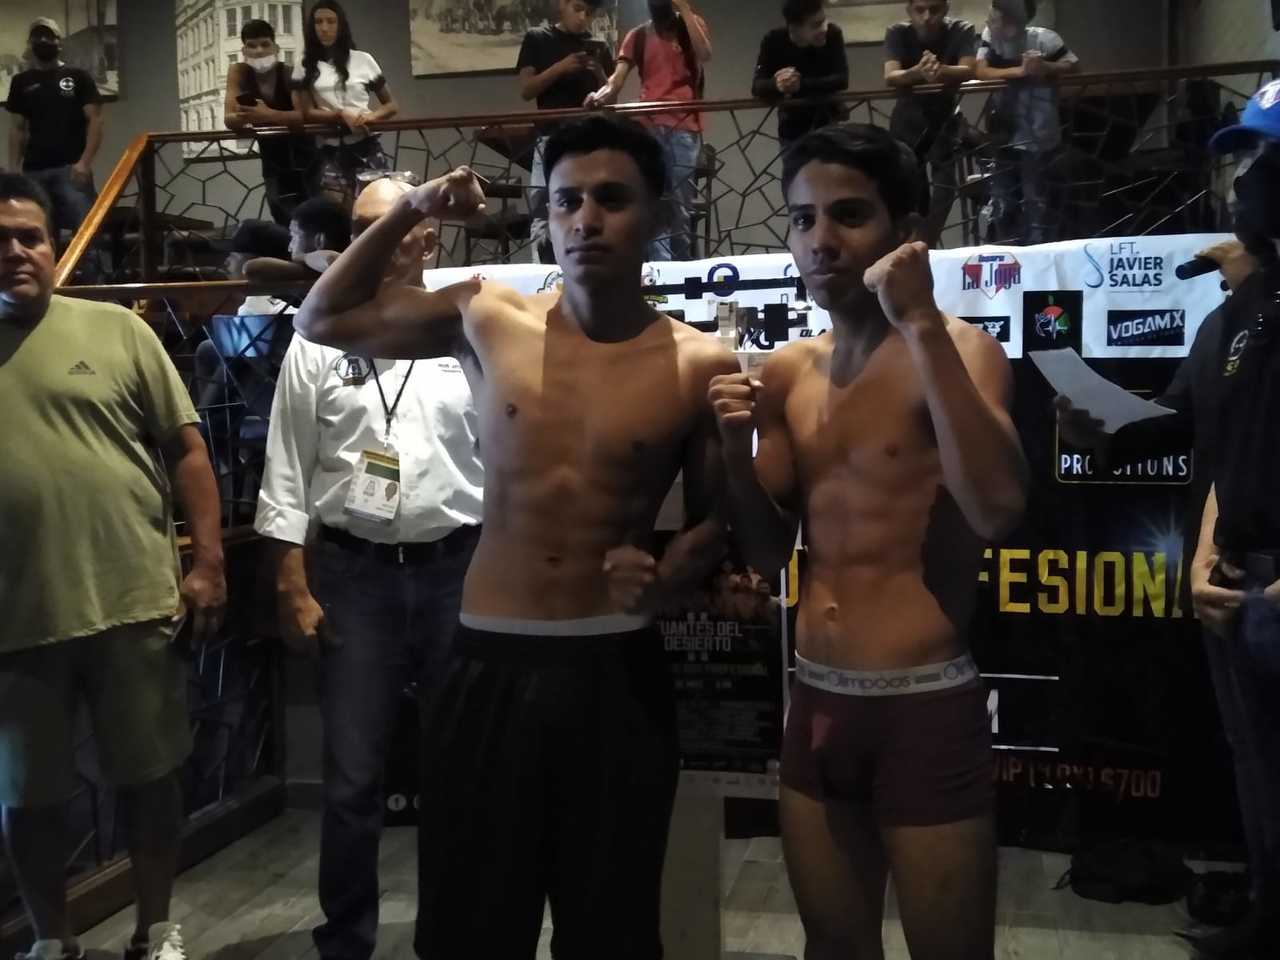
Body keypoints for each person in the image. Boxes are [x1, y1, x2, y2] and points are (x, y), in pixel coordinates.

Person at [292, 113, 738, 959]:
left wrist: (674, 574)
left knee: (609, 933)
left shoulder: (698, 362)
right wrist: (411, 206)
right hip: (487, 659)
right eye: (567, 201)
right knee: (470, 929)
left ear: (656, 213)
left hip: (614, 666)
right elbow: (320, 317)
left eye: (611, 199)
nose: (585, 220)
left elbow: (717, 524)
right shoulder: (487, 315)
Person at [709, 124, 1028, 959]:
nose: (820, 239)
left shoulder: (962, 350)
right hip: (815, 699)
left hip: (923, 702)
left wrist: (919, 321)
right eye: (803, 218)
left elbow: (997, 509)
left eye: (848, 215)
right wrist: (733, 454)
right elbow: (770, 555)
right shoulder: (788, 371)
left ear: (906, 231)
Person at [1058, 79, 1280, 960]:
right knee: (1258, 768)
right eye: (1247, 160)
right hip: (1239, 587)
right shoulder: (1240, 311)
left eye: (1269, 161)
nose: (1248, 183)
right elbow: (1195, 428)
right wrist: (1096, 422)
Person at [0, 173, 227, 960]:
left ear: (54, 245)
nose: (15, 252)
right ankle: (51, 940)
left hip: (132, 603)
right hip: (15, 622)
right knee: (26, 797)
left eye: (29, 237)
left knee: (151, 778)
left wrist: (209, 563)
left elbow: (188, 453)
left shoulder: (118, 332)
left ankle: (156, 926)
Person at [255, 176, 480, 960]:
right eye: (361, 225)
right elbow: (287, 466)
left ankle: (452, 935)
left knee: (459, 769)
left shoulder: (467, 327)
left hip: (460, 569)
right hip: (356, 576)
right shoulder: (317, 336)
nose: (374, 238)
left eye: (394, 222)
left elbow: (503, 456)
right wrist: (291, 581)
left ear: (429, 236)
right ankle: (345, 941)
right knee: (352, 776)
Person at [588, 0, 712, 262]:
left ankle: (680, 272)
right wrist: (599, 96)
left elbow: (704, 55)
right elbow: (616, 80)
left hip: (682, 127)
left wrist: (685, 10)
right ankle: (660, 273)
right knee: (652, 200)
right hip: (648, 127)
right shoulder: (639, 36)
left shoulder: (689, 26)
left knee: (679, 206)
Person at [516, 0, 614, 263]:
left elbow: (612, 98)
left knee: (590, 204)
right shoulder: (537, 38)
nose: (583, 17)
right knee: (542, 206)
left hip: (589, 141)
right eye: (578, 8)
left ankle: (586, 266)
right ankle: (540, 273)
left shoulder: (599, 46)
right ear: (563, 5)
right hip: (549, 139)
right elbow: (526, 90)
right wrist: (561, 68)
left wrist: (600, 73)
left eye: (589, 13)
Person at [974, 0, 1078, 245]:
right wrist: (1019, 72)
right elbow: (981, 71)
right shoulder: (990, 37)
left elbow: (1073, 66)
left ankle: (1038, 249)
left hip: (1039, 133)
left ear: (1014, 21)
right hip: (1004, 132)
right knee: (1002, 199)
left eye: (996, 16)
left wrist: (1044, 67)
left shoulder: (1044, 39)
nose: (989, 21)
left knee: (1036, 201)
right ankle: (1007, 248)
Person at [884, 0, 978, 246]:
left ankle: (928, 241)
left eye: (934, 10)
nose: (927, 17)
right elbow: (890, 75)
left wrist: (939, 69)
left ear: (945, 9)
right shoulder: (897, 31)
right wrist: (917, 72)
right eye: (920, 10)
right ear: (909, 10)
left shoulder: (961, 29)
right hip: (908, 119)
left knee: (946, 186)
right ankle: (915, 242)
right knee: (913, 187)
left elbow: (969, 69)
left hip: (944, 118)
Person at [4, 19, 104, 244]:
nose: (43, 41)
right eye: (37, 37)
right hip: (33, 172)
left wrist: (84, 163)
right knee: (40, 236)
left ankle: (90, 270)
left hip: (71, 170)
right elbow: (17, 129)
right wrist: (14, 169)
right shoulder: (21, 82)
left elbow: (95, 121)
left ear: (59, 42)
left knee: (86, 235)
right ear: (30, 43)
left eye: (48, 36)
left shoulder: (78, 76)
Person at [292, 1, 398, 208]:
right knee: (337, 215)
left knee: (376, 210)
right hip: (329, 149)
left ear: (341, 25)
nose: (324, 28)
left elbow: (391, 105)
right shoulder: (304, 63)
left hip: (366, 145)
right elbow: (306, 112)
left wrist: (371, 116)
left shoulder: (363, 60)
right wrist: (341, 114)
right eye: (318, 22)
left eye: (331, 21)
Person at [224, 18, 316, 226]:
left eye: (265, 44)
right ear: (244, 50)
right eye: (252, 45)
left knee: (311, 213)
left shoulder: (289, 72)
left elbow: (304, 116)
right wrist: (250, 116)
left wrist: (266, 115)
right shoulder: (238, 72)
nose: (259, 51)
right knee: (279, 211)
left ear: (276, 47)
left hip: (306, 156)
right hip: (272, 158)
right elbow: (229, 119)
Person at [752, 0, 850, 151]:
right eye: (816, 25)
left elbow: (842, 80)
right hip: (792, 125)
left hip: (829, 120)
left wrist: (799, 85)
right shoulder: (773, 40)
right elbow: (757, 86)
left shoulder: (833, 34)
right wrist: (778, 84)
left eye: (824, 21)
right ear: (795, 28)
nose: (824, 28)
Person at [242, 195, 352, 284]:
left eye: (294, 237)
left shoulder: (346, 267)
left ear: (319, 241)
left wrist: (302, 257)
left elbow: (252, 268)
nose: (290, 247)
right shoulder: (348, 266)